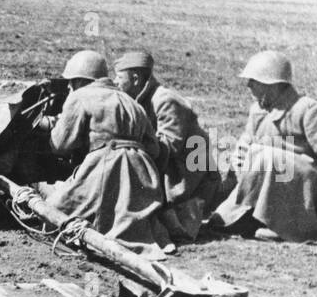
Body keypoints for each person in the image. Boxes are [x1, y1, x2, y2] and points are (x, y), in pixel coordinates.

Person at [210, 50, 317, 242]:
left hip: (303, 197)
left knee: (270, 157)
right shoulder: (258, 111)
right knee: (220, 222)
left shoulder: (308, 111)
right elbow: (243, 149)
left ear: (272, 85)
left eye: (254, 80)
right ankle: (255, 216)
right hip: (265, 188)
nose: (248, 85)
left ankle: (286, 227)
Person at [34, 50, 167, 245]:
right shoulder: (133, 103)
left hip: (104, 166)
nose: (70, 86)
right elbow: (154, 149)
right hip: (143, 176)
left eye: (71, 81)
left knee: (52, 211)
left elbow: (60, 145)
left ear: (80, 80)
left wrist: (53, 126)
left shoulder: (80, 96)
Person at [113, 50, 222, 241]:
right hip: (170, 168)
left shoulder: (165, 100)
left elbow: (169, 148)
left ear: (136, 79)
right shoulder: (139, 99)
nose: (115, 81)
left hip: (185, 175)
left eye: (119, 77)